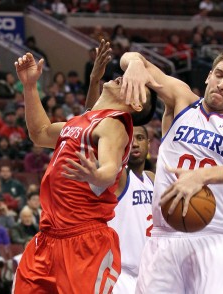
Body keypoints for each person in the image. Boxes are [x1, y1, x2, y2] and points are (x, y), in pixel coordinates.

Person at [11, 45, 157, 293]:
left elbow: (110, 168)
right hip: (47, 238)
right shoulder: (80, 122)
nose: (125, 78)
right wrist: (29, 87)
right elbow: (40, 133)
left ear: (137, 104)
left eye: (136, 83)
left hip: (84, 242)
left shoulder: (115, 125)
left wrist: (97, 175)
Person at [119, 48, 223, 293]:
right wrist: (134, 64)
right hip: (164, 237)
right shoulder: (182, 101)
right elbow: (131, 57)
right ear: (208, 76)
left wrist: (202, 176)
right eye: (219, 75)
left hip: (214, 239)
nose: (221, 84)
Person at [66, 39, 156, 294]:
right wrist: (95, 83)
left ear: (150, 144)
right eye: (131, 137)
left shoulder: (152, 178)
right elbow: (92, 126)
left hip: (153, 273)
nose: (135, 143)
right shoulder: (118, 169)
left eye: (141, 138)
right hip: (118, 272)